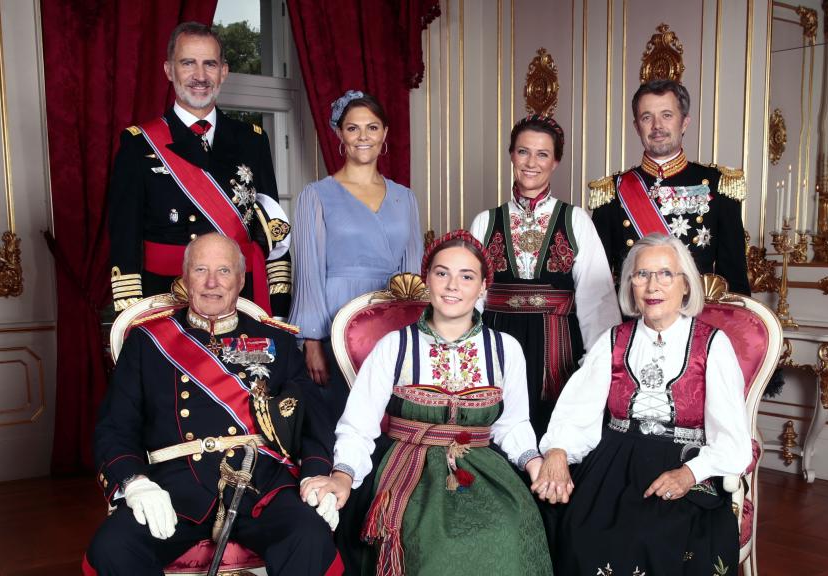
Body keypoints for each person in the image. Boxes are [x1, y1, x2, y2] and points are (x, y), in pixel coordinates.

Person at [87, 233, 342, 576]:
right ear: (185, 277)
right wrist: (135, 482)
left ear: (240, 280)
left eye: (224, 271)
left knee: (310, 536)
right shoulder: (147, 343)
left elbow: (312, 419)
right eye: (200, 270)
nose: (211, 282)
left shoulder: (277, 340)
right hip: (175, 490)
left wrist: (315, 475)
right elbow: (115, 426)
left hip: (262, 486)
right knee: (112, 547)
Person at [300, 230, 552, 576]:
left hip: (482, 472)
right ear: (427, 279)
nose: (452, 285)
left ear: (482, 288)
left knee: (509, 532)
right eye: (441, 273)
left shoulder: (505, 348)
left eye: (467, 277)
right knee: (432, 548)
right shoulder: (394, 346)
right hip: (407, 469)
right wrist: (343, 476)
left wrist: (535, 463)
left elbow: (513, 424)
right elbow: (359, 425)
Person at [534, 233, 751, 575]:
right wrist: (559, 450)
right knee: (578, 530)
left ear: (685, 285)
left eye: (665, 274)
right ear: (630, 285)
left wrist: (689, 474)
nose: (653, 286)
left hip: (684, 462)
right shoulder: (614, 340)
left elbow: (733, 438)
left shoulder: (712, 345)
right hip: (614, 461)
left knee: (655, 539)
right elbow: (578, 411)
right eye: (642, 275)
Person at [108, 22, 292, 317]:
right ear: (169, 70)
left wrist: (278, 305)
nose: (200, 76)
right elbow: (124, 242)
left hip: (241, 299)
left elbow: (271, 230)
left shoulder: (252, 140)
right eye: (188, 63)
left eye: (210, 64)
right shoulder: (138, 144)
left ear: (223, 71)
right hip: (167, 301)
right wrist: (132, 314)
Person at [470, 114, 620, 439]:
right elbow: (472, 301)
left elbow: (598, 302)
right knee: (498, 433)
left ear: (556, 162)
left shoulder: (576, 220)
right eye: (523, 152)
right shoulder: (484, 222)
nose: (531, 163)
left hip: (558, 346)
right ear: (511, 154)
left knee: (552, 436)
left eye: (542, 154)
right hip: (499, 340)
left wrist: (598, 366)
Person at [288, 90, 423, 422]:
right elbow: (308, 274)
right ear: (340, 134)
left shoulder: (406, 198)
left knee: (392, 421)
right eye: (353, 128)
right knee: (341, 419)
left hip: (393, 327)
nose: (363, 137)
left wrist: (417, 335)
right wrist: (313, 341)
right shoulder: (315, 196)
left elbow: (412, 275)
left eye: (372, 127)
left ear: (385, 133)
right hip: (335, 327)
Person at [590, 79, 751, 295]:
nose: (657, 126)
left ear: (684, 122)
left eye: (667, 115)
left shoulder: (718, 184)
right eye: (647, 117)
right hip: (632, 320)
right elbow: (597, 284)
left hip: (696, 319)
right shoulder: (612, 191)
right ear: (637, 127)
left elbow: (734, 281)